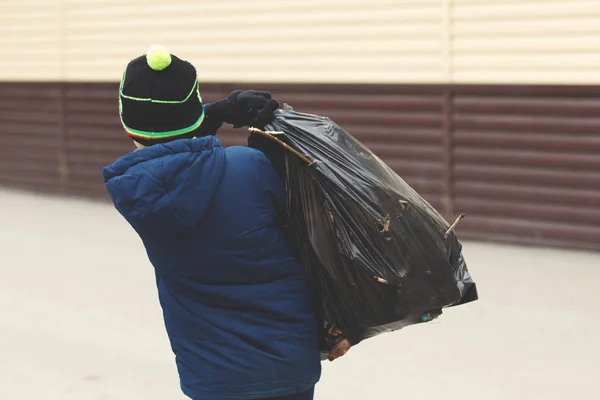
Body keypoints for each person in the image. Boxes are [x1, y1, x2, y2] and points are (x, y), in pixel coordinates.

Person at [102, 45, 321, 400]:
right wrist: (224, 112)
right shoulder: (250, 167)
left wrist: (211, 114)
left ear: (128, 127)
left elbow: (173, 152)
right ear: (192, 109)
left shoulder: (133, 191)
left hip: (211, 375)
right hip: (287, 362)